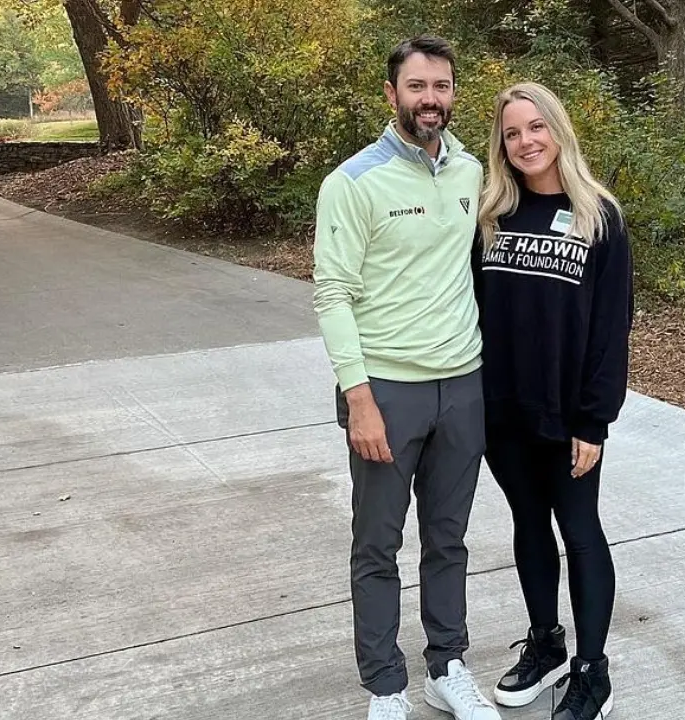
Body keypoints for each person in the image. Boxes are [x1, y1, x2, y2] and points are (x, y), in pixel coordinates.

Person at [312, 35, 501, 720]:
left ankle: (447, 667)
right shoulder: (353, 182)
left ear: (454, 93)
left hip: (463, 386)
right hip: (387, 391)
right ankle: (386, 687)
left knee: (448, 539)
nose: (431, 99)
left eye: (442, 86)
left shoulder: (471, 172)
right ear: (391, 94)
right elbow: (332, 293)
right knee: (378, 545)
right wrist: (358, 399)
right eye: (417, 87)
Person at [473, 82, 634, 719]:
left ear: (558, 131)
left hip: (569, 418)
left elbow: (609, 328)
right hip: (501, 412)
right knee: (528, 526)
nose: (525, 142)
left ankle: (592, 672)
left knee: (580, 530)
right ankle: (545, 645)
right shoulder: (490, 215)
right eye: (512, 133)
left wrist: (593, 420)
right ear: (501, 145)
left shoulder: (600, 216)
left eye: (535, 128)